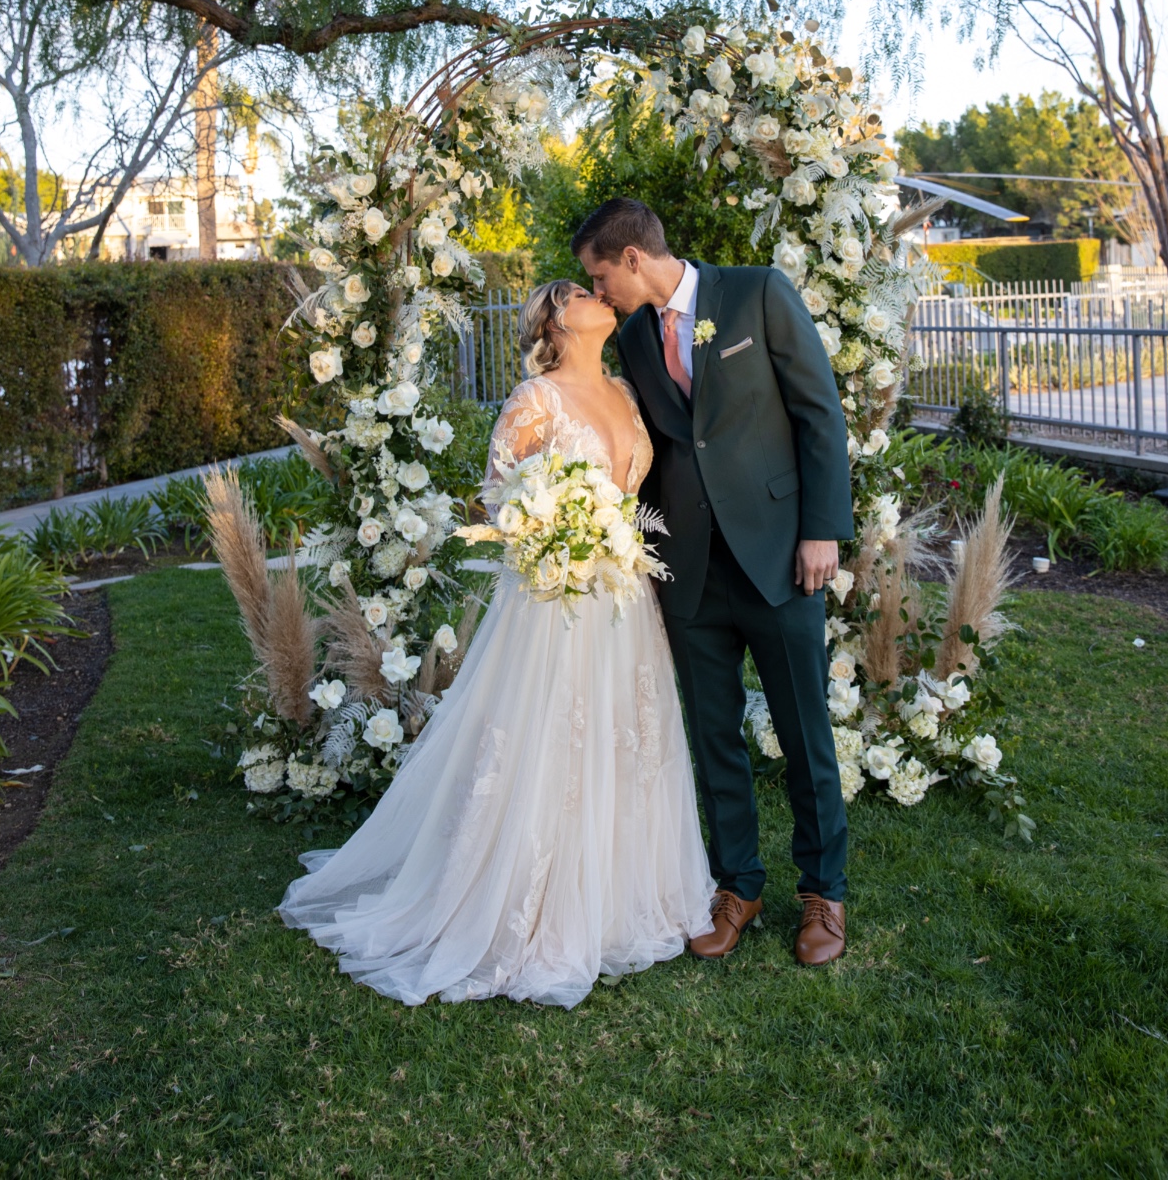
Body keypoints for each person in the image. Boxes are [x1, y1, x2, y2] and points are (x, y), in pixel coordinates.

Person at [279, 278, 714, 1007]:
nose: (598, 295)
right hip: (554, 605)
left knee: (627, 738)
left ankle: (623, 892)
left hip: (626, 598)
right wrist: (559, 532)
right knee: (552, 743)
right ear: (555, 320)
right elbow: (497, 499)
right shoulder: (531, 401)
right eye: (580, 292)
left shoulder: (628, 392)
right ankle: (527, 902)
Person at [575, 197, 854, 966]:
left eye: (600, 277)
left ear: (632, 258)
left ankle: (822, 895)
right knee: (713, 738)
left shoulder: (758, 291)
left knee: (805, 734)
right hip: (689, 572)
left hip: (780, 558)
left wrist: (821, 528)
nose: (599, 295)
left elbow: (818, 415)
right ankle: (738, 885)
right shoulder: (632, 337)